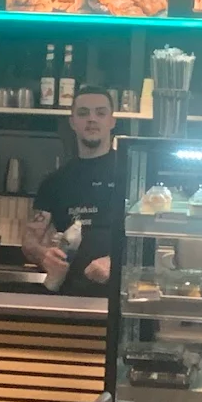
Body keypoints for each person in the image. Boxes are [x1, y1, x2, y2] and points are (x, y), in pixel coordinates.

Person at [23, 86, 120, 296]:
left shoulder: (131, 174)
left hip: (119, 299)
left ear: (112, 121)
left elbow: (153, 241)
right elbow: (30, 242)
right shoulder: (55, 181)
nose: (92, 119)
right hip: (69, 297)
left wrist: (117, 262)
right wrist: (44, 255)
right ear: (72, 122)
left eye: (100, 113)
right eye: (83, 113)